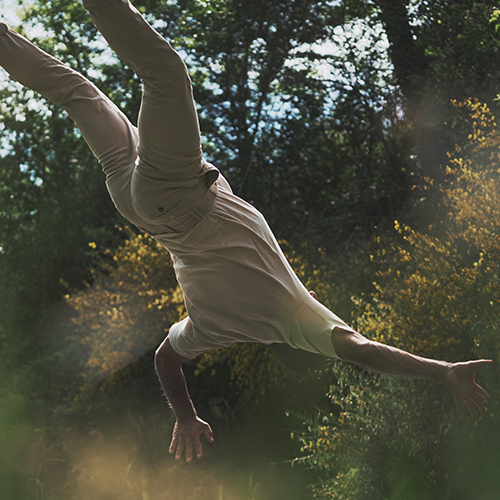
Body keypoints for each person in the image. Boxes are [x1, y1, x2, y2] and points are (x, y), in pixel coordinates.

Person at [0, 0, 492, 464]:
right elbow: (166, 360)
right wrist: (184, 415)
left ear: (302, 342)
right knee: (77, 93)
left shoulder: (294, 315)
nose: (318, 299)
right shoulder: (213, 331)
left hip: (174, 194)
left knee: (166, 74)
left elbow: (363, 351)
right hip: (142, 210)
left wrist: (442, 371)